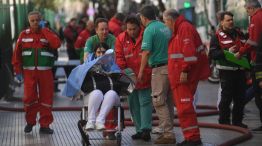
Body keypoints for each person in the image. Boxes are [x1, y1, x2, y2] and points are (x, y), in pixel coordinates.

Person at [163, 9, 210, 146]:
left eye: (165, 22)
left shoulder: (184, 29)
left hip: (183, 77)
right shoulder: (181, 29)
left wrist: (184, 70)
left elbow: (188, 54)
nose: (166, 25)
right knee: (184, 109)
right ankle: (190, 137)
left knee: (185, 109)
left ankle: (193, 139)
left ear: (171, 20)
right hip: (179, 77)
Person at [12, 11, 61, 134]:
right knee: (29, 98)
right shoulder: (23, 35)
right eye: (32, 20)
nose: (35, 23)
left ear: (41, 20)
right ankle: (30, 122)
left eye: (37, 20)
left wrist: (45, 30)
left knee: (46, 99)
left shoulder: (47, 33)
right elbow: (16, 55)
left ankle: (45, 125)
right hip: (29, 73)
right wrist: (17, 70)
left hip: (45, 73)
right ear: (29, 21)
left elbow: (56, 44)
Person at [137, 5, 176, 144]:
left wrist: (141, 72)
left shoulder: (149, 30)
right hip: (171, 68)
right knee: (168, 101)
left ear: (144, 17)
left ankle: (168, 134)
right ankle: (168, 131)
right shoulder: (164, 27)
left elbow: (146, 52)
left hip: (159, 70)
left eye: (140, 17)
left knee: (158, 101)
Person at [115, 15, 152, 141]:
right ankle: (139, 130)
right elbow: (119, 57)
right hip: (129, 77)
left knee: (145, 102)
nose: (131, 32)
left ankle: (146, 129)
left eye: (134, 29)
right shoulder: (121, 38)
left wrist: (143, 72)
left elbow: (149, 54)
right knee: (133, 104)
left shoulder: (146, 35)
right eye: (129, 29)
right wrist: (127, 73)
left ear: (139, 27)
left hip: (144, 75)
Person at [209, 11, 247, 129]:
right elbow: (213, 54)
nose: (231, 22)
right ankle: (224, 121)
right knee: (226, 98)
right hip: (227, 72)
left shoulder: (239, 34)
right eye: (228, 20)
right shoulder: (216, 37)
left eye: (231, 20)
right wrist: (227, 53)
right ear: (221, 22)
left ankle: (237, 121)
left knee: (240, 98)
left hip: (240, 71)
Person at [235, 0, 262, 131]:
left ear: (252, 8)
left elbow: (253, 41)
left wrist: (240, 52)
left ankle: (239, 104)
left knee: (258, 92)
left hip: (259, 61)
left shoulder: (256, 18)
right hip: (259, 60)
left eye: (247, 10)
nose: (247, 12)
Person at [83, 42, 120, 130]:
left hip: (110, 94)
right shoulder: (88, 65)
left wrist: (111, 72)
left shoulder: (113, 65)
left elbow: (119, 82)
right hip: (94, 94)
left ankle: (100, 121)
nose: (101, 54)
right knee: (97, 93)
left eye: (103, 52)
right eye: (99, 52)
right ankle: (90, 121)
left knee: (111, 93)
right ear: (95, 53)